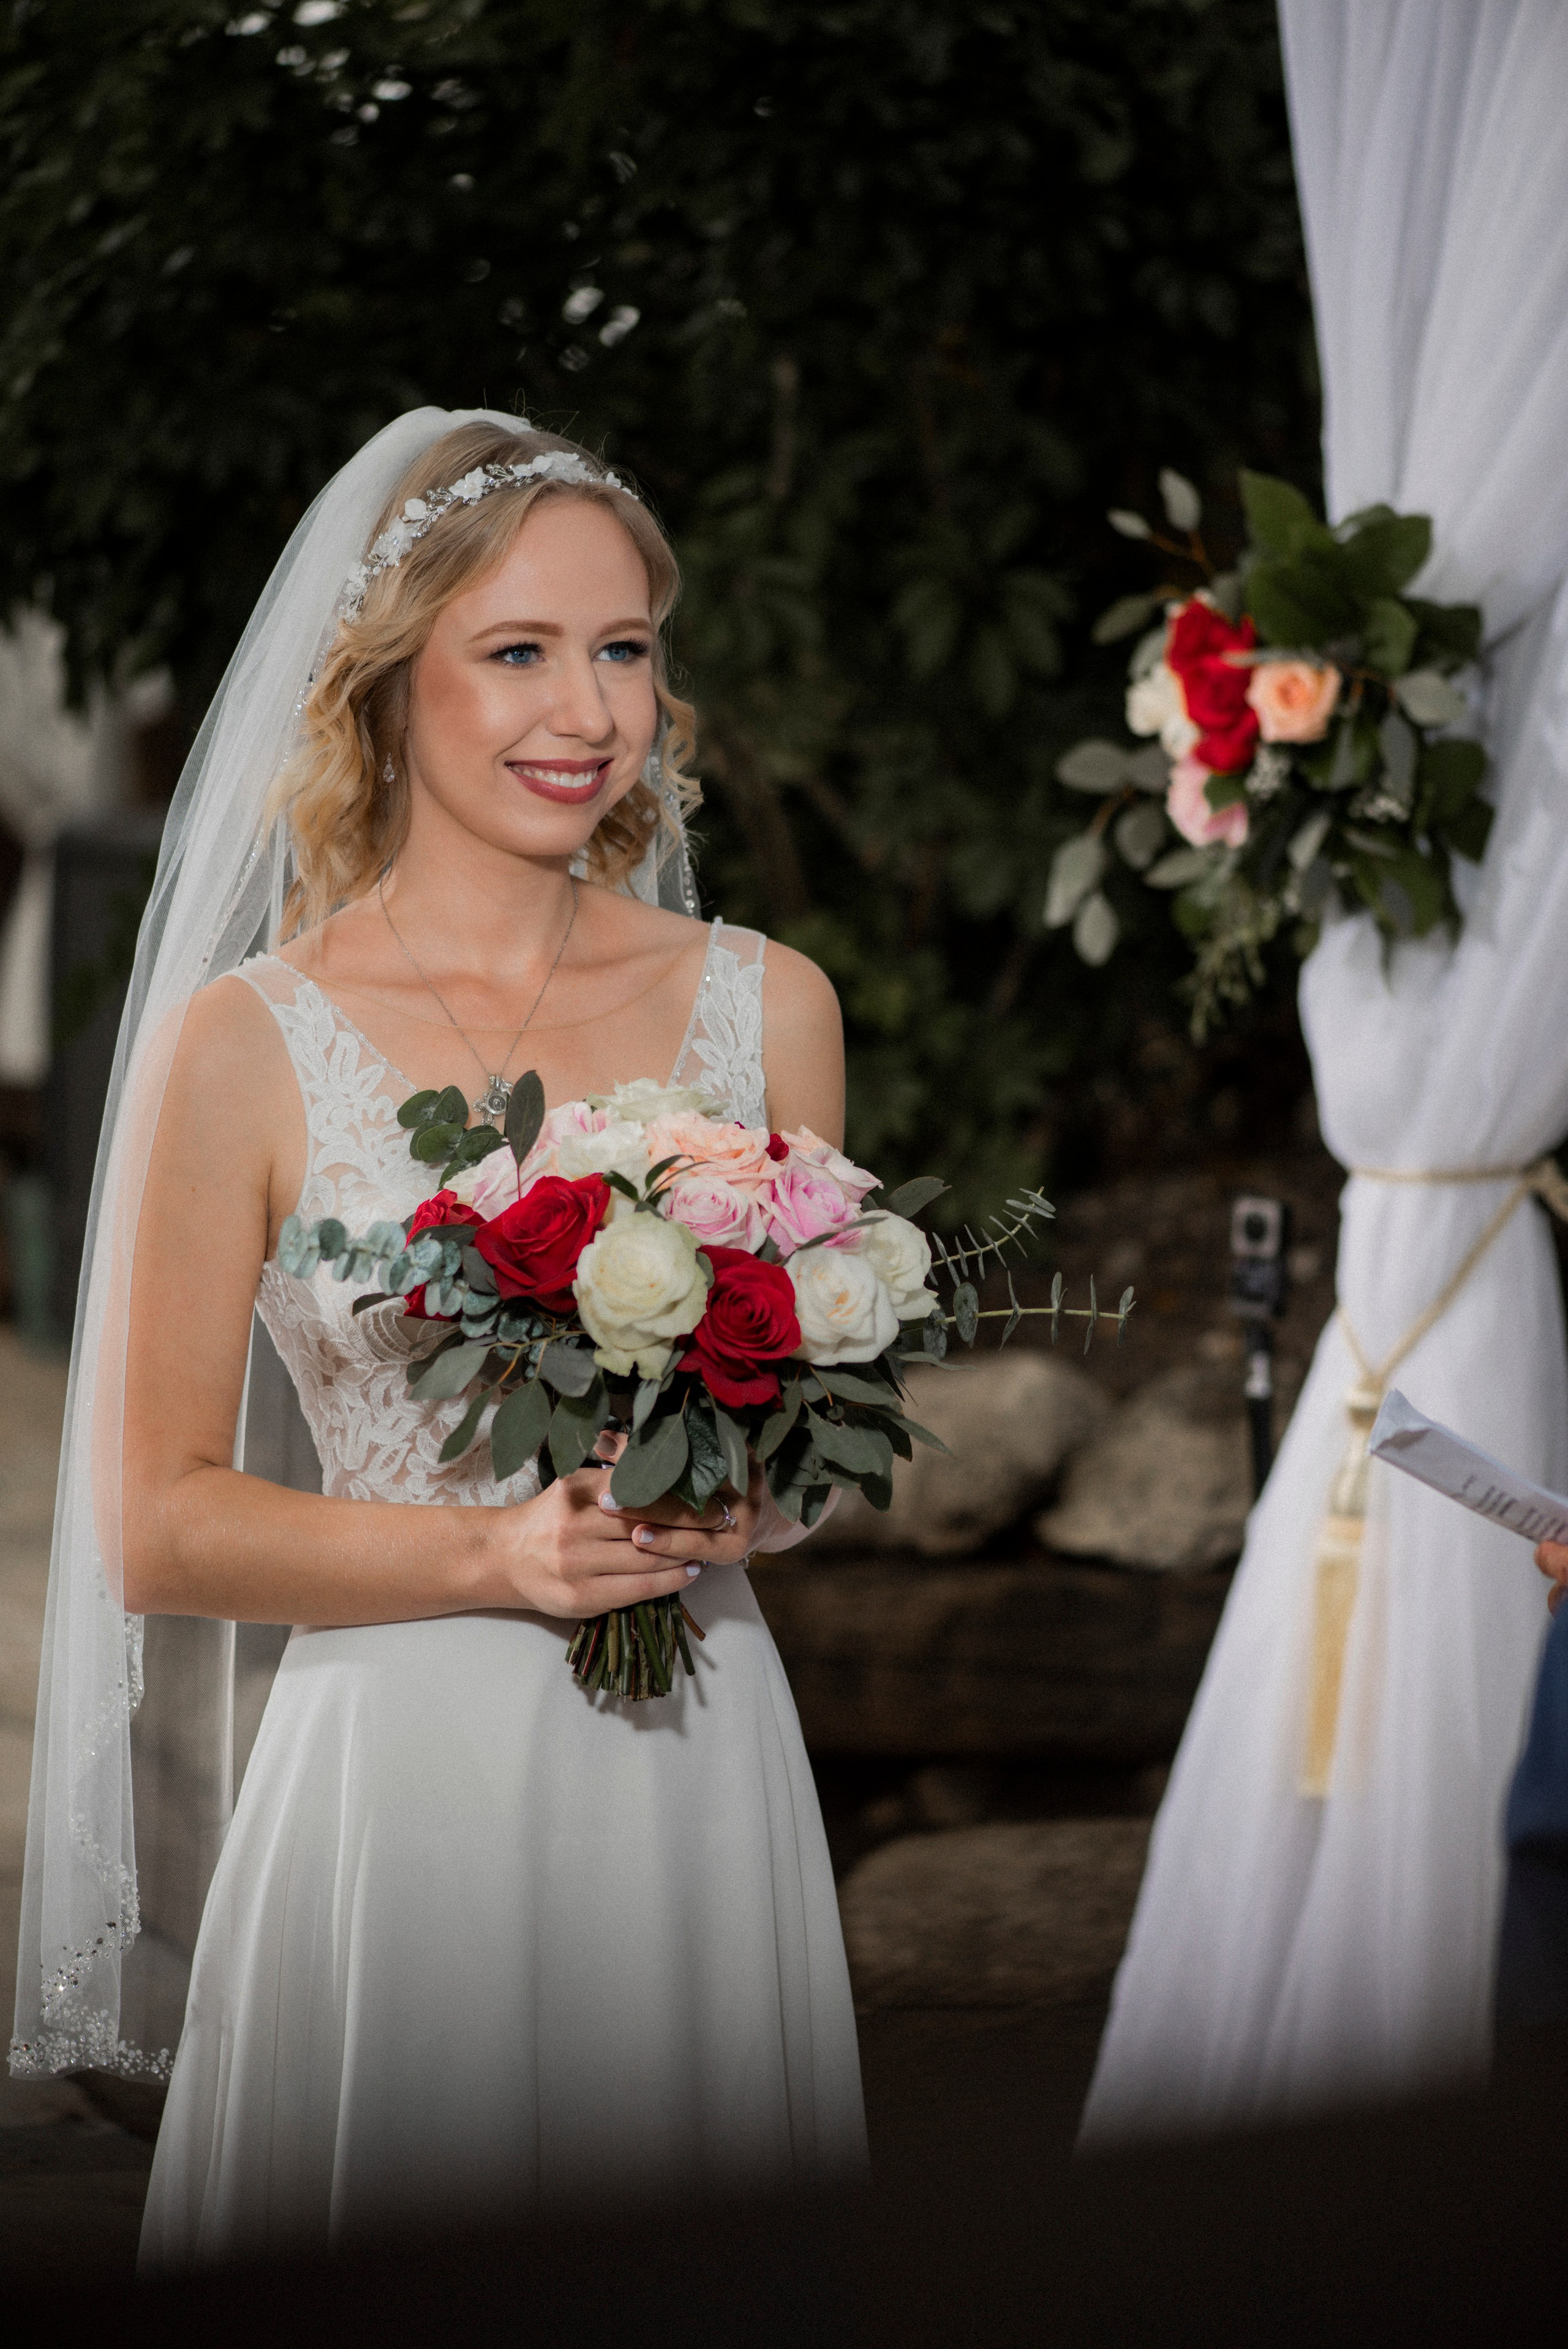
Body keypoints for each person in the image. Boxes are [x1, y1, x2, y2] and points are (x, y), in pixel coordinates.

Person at [9, 410, 867, 2267]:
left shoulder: (769, 1009)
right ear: (390, 685)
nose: (591, 709)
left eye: (626, 647)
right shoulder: (240, 1045)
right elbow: (157, 1518)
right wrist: (499, 1550)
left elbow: (807, 1451)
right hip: (400, 1794)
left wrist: (749, 1512)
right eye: (520, 651)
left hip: (692, 1764)